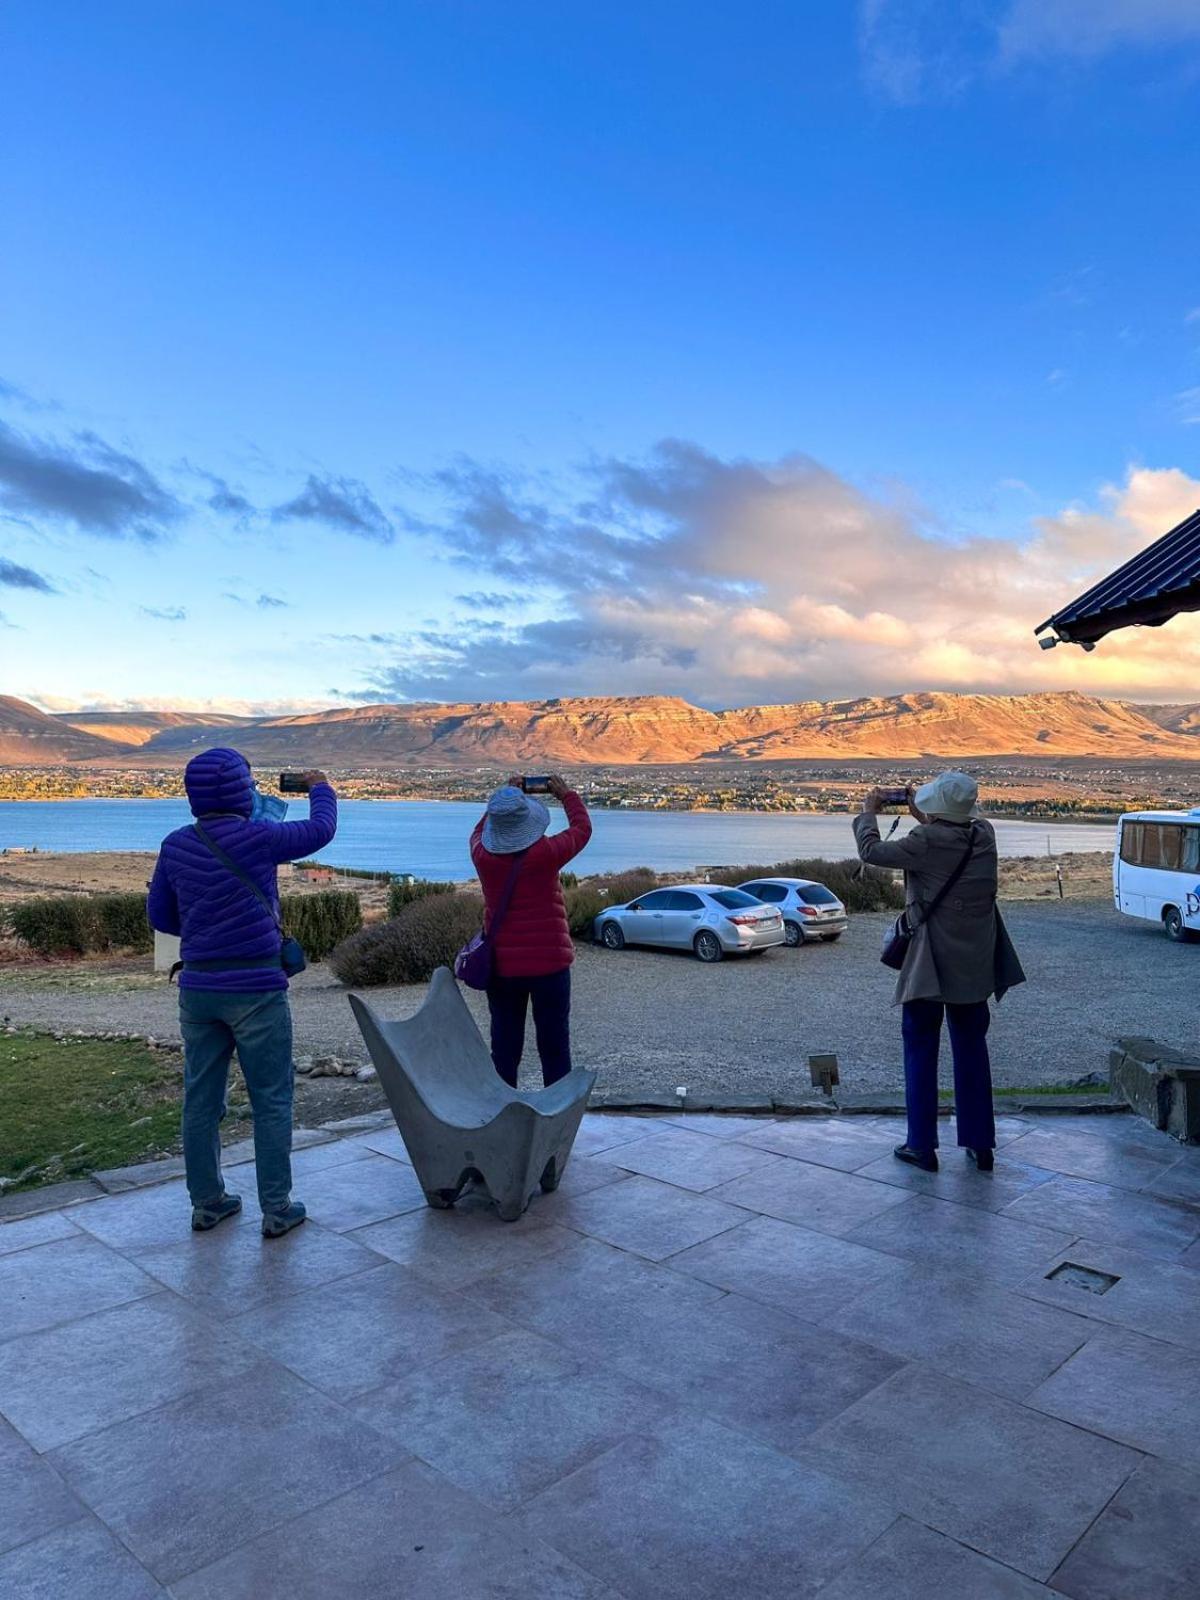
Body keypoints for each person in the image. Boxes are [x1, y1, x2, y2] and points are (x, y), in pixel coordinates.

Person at [147, 749, 337, 1236]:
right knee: (271, 1098)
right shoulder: (259, 837)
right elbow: (320, 831)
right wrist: (319, 785)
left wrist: (203, 925)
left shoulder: (175, 846)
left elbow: (162, 918)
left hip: (199, 988)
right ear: (240, 789)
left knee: (201, 1100)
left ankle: (207, 1202)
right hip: (256, 987)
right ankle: (276, 1207)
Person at [853, 770, 1025, 1174]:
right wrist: (925, 816)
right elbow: (950, 840)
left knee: (920, 1048)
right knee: (971, 1051)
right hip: (975, 963)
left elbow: (872, 853)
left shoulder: (925, 841)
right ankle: (981, 1144)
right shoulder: (985, 834)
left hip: (930, 963)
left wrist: (868, 813)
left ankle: (921, 1146)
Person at [470, 774, 592, 1088]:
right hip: (550, 965)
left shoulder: (482, 856)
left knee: (505, 1051)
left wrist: (504, 797)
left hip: (503, 969)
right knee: (554, 1049)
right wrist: (567, 795)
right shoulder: (546, 854)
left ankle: (505, 1117)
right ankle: (557, 1117)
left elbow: (480, 831)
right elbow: (582, 829)